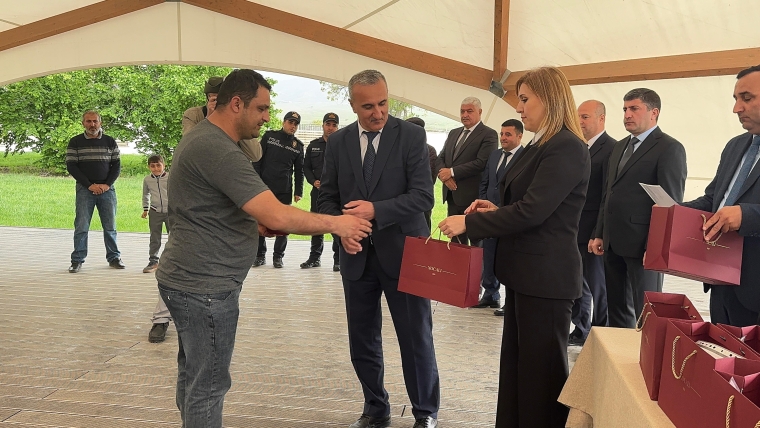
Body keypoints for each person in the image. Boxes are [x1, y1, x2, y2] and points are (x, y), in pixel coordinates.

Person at [155, 69, 372, 428]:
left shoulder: (204, 139)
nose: (267, 117)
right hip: (205, 286)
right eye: (261, 108)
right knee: (208, 385)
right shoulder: (217, 148)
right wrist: (338, 224)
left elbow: (205, 207)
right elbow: (277, 214)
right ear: (236, 104)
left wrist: (251, 224)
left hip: (189, 279)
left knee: (194, 375)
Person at [439, 66, 590, 428]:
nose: (519, 108)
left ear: (549, 98)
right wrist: (495, 210)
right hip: (526, 275)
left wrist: (470, 223)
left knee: (541, 379)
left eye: (524, 99)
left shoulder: (567, 146)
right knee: (518, 373)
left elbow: (534, 211)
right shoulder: (542, 144)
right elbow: (529, 205)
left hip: (546, 279)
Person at [318, 69, 440, 428]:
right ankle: (375, 407)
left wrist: (376, 210)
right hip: (356, 257)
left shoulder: (411, 136)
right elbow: (327, 199)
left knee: (416, 337)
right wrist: (340, 230)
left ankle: (425, 412)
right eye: (368, 106)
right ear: (353, 105)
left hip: (405, 255)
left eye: (383, 103)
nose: (378, 112)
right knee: (362, 338)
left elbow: (423, 196)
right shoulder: (338, 142)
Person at [589, 88, 687, 329]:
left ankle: (647, 352)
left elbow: (669, 204)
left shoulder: (669, 148)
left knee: (647, 312)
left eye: (634, 109)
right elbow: (608, 193)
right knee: (617, 310)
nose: (627, 115)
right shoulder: (619, 146)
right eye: (625, 109)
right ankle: (620, 351)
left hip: (644, 245)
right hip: (613, 242)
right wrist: (599, 232)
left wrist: (655, 246)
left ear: (654, 113)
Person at [681, 64, 760, 327]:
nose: (736, 108)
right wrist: (675, 211)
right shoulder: (735, 146)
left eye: (747, 98)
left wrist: (746, 215)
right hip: (720, 281)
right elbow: (714, 199)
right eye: (736, 99)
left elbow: (738, 212)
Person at [568, 100, 616, 346]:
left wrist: (599, 232)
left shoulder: (612, 149)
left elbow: (607, 195)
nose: (580, 121)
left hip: (593, 230)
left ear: (601, 119)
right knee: (576, 281)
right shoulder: (577, 147)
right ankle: (581, 327)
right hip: (572, 227)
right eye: (578, 116)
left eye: (585, 117)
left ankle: (600, 332)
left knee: (598, 286)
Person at [66, 110, 124, 273]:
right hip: (85, 190)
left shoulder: (110, 141)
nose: (92, 124)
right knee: (81, 226)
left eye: (95, 121)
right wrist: (89, 185)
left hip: (107, 190)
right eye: (88, 121)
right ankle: (77, 260)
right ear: (83, 123)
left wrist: (107, 185)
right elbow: (71, 166)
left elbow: (116, 165)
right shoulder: (75, 142)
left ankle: (114, 258)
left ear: (100, 123)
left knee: (110, 226)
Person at [474, 119, 523, 312]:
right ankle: (490, 295)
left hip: (509, 216)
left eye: (508, 134)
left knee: (509, 259)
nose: (503, 138)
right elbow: (485, 182)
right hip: (488, 215)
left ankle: (509, 302)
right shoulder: (495, 155)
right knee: (489, 254)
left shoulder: (525, 157)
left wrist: (501, 210)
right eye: (502, 134)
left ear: (519, 136)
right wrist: (483, 201)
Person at [435, 97, 498, 244]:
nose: (465, 115)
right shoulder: (453, 133)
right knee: (455, 241)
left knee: (475, 243)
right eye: (462, 111)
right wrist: (444, 176)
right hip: (452, 195)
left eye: (469, 111)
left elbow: (482, 162)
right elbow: (440, 158)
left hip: (472, 199)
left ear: (480, 112)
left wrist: (452, 172)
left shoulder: (488, 134)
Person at [252, 111, 305, 268]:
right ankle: (260, 255)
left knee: (283, 224)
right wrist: (255, 182)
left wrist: (298, 191)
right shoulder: (270, 137)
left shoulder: (298, 146)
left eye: (295, 124)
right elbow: (257, 159)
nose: (293, 126)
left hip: (284, 190)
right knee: (260, 221)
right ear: (284, 122)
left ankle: (278, 257)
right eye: (290, 122)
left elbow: (299, 171)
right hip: (264, 187)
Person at [183, 76, 262, 162]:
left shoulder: (237, 117)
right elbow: (188, 146)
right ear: (208, 97)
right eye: (213, 98)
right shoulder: (193, 115)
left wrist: (238, 122)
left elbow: (255, 155)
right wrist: (209, 120)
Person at [301, 112, 341, 271]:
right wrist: (313, 181)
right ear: (323, 125)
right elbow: (306, 167)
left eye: (334, 125)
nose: (330, 128)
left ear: (337, 127)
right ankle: (314, 258)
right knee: (316, 225)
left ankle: (338, 259)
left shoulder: (341, 146)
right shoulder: (313, 146)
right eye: (328, 124)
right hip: (318, 192)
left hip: (336, 194)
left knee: (336, 224)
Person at [141, 154, 172, 343]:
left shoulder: (170, 178)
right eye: (152, 166)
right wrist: (145, 208)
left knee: (173, 236)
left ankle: (169, 259)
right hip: (155, 211)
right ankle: (153, 260)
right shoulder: (147, 180)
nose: (156, 169)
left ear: (164, 165)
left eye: (158, 165)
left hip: (170, 211)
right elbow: (145, 194)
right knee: (155, 237)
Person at [406, 117, 438, 231]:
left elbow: (429, 179)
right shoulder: (400, 150)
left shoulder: (430, 151)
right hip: (402, 202)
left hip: (421, 200)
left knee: (422, 233)